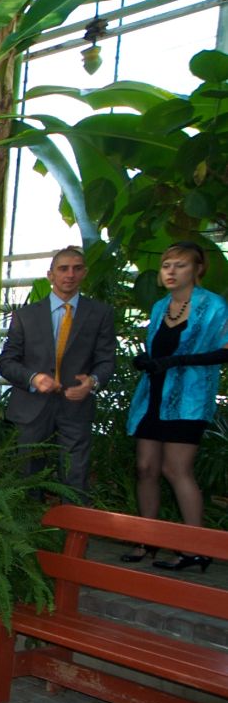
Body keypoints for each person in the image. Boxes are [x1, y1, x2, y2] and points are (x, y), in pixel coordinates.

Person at [125, 242, 228, 571]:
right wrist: (147, 360)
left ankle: (196, 547)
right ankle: (148, 540)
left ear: (198, 269)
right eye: (166, 265)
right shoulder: (160, 307)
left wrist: (179, 361)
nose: (171, 271)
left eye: (180, 265)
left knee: (175, 469)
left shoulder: (214, 305)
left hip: (188, 399)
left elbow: (225, 350)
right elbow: (159, 348)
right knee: (146, 468)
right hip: (153, 395)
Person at [0, 246, 117, 501]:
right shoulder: (26, 316)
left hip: (76, 406)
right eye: (63, 269)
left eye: (76, 268)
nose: (70, 274)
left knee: (75, 479)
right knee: (27, 478)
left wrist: (92, 382)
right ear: (50, 275)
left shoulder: (100, 314)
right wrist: (33, 378)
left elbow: (106, 361)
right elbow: (6, 362)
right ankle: (31, 526)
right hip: (31, 406)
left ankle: (73, 526)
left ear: (84, 273)